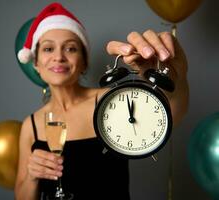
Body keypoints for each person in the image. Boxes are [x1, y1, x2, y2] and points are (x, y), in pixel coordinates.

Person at [14, 2, 189, 200]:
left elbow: (172, 114)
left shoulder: (109, 101)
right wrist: (31, 175)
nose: (59, 57)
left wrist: (177, 79)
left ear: (84, 61)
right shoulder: (31, 125)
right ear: (35, 63)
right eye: (48, 49)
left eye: (70, 48)